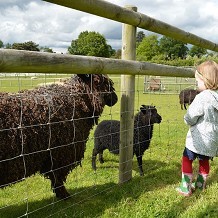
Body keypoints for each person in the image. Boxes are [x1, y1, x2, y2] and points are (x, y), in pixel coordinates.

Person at [177, 60, 218, 196]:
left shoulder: (202, 97)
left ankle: (185, 188)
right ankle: (200, 185)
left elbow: (191, 116)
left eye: (198, 81)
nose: (196, 84)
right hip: (212, 140)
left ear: (205, 80)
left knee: (187, 159)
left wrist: (186, 119)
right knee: (204, 160)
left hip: (197, 139)